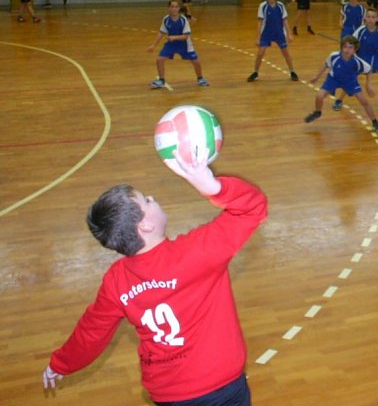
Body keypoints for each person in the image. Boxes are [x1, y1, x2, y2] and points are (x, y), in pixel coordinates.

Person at [42, 145, 267, 405]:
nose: (151, 197)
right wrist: (213, 187)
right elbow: (252, 208)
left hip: (167, 394)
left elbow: (91, 333)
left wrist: (61, 364)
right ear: (145, 225)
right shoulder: (197, 253)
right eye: (146, 200)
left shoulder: (116, 280)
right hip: (221, 389)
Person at [304, 36, 378, 134]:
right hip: (333, 79)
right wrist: (317, 77)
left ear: (355, 50)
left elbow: (369, 70)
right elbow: (326, 65)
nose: (347, 50)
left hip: (350, 81)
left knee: (364, 101)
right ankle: (317, 112)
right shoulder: (334, 56)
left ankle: (375, 122)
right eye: (345, 47)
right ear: (342, 47)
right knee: (319, 96)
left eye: (350, 47)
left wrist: (368, 84)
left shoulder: (358, 62)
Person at [147, 0, 208, 88]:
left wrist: (173, 37)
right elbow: (161, 32)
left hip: (184, 45)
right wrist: (154, 45)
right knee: (159, 60)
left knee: (195, 61)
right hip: (171, 44)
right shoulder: (166, 19)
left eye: (176, 7)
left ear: (179, 8)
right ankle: (161, 80)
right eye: (172, 7)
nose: (174, 9)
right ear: (169, 8)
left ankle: (200, 78)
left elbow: (186, 36)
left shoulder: (183, 20)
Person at [247, 0, 299, 83]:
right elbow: (260, 22)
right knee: (260, 53)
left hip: (279, 32)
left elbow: (285, 20)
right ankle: (255, 72)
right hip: (266, 33)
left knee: (286, 53)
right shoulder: (263, 6)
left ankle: (292, 71)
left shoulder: (280, 6)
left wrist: (289, 34)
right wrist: (258, 37)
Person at [354, 9, 378, 109]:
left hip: (375, 57)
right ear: (365, 18)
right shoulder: (360, 30)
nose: (371, 19)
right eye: (369, 17)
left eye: (373, 17)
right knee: (352, 78)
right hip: (362, 57)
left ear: (377, 19)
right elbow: (352, 44)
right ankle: (339, 100)